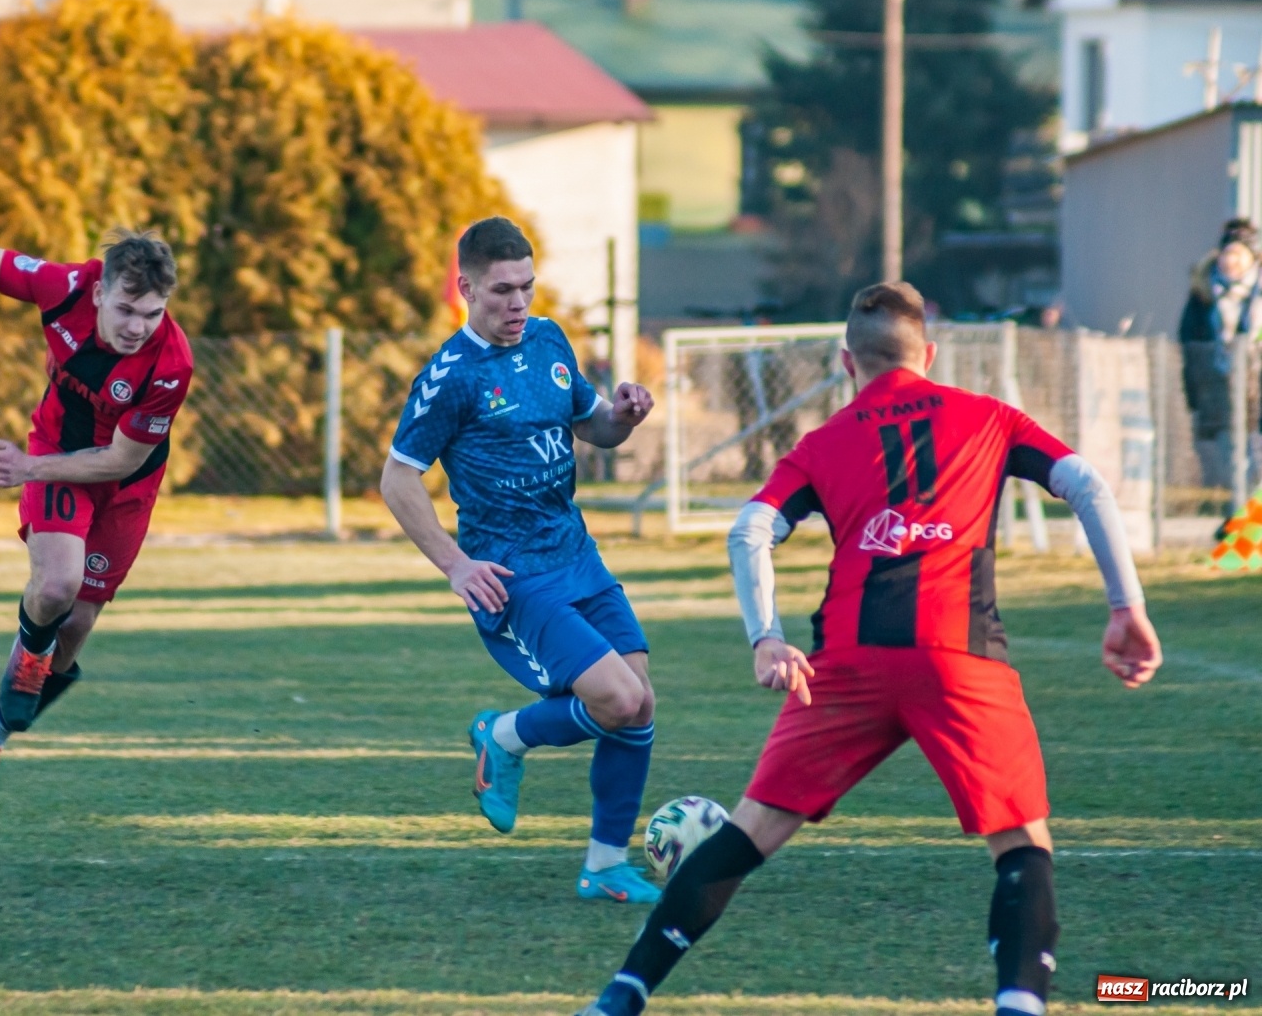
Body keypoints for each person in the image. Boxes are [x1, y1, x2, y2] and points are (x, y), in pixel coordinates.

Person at [577, 281, 1163, 1016]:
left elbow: (749, 528)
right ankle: (1019, 1003)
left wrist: (767, 637)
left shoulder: (823, 443)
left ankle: (620, 996)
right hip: (959, 654)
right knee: (1020, 844)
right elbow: (1087, 485)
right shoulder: (990, 417)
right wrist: (1126, 608)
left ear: (847, 362)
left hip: (848, 663)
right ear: (929, 354)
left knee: (750, 830)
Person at [381, 217, 662, 903]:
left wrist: (623, 416)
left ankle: (604, 866)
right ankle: (503, 737)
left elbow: (592, 423)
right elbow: (397, 478)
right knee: (618, 699)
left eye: (527, 287)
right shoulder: (451, 377)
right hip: (513, 574)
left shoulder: (548, 340)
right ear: (466, 289)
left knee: (640, 703)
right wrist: (455, 565)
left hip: (576, 553)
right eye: (502, 290)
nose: (518, 303)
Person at [0, 231, 192, 824]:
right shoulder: (67, 287)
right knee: (56, 587)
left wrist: (25, 469)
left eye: (152, 313)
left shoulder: (172, 364)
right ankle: (29, 660)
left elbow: (120, 461)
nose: (137, 327)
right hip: (57, 450)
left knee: (75, 625)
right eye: (126, 309)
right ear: (100, 291)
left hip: (125, 484)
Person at [1179, 218, 1262, 515]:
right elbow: (1190, 341)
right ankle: (1241, 524)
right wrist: (1195, 392)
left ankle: (1248, 527)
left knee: (1257, 464)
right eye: (1227, 253)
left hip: (1257, 388)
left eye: (1238, 254)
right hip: (1220, 391)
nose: (1230, 261)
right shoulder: (1204, 293)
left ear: (1252, 258)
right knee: (1232, 465)